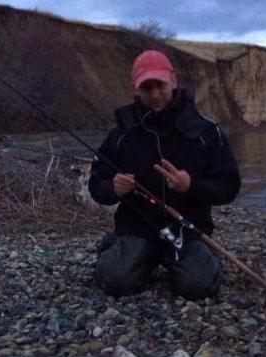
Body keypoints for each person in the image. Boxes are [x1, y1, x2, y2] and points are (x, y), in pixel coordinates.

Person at [88, 50, 240, 299]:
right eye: (147, 88)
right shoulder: (121, 134)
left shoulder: (207, 131)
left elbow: (229, 186)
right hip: (137, 228)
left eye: (160, 85)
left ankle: (202, 256)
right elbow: (97, 185)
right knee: (116, 282)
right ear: (136, 89)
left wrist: (191, 185)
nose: (155, 94)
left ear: (174, 81)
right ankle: (117, 247)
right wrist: (112, 188)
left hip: (188, 228)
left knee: (198, 287)